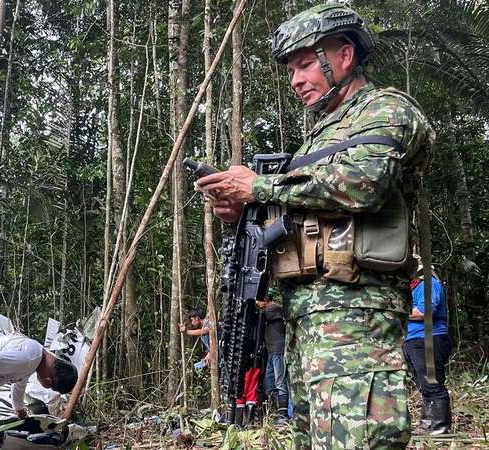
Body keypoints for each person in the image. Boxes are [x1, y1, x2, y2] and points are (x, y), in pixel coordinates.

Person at [195, 4, 435, 449]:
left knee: (360, 440)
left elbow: (364, 183)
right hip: (306, 319)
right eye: (291, 70)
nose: (296, 80)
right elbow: (304, 215)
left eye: (305, 64)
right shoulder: (319, 136)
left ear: (344, 57)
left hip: (358, 316)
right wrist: (243, 210)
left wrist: (261, 187)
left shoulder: (385, 109)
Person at [403, 266, 452, 435]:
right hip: (414, 340)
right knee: (424, 384)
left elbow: (425, 311)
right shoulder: (412, 288)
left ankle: (440, 427)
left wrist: (398, 311)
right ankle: (427, 424)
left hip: (428, 338)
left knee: (432, 383)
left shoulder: (428, 284)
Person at [256, 288, 289, 424]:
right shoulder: (267, 310)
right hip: (270, 352)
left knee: (279, 382)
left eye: (258, 300)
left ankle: (283, 415)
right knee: (269, 385)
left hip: (278, 350)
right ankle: (277, 412)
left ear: (265, 299)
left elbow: (260, 315)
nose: (257, 303)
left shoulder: (273, 307)